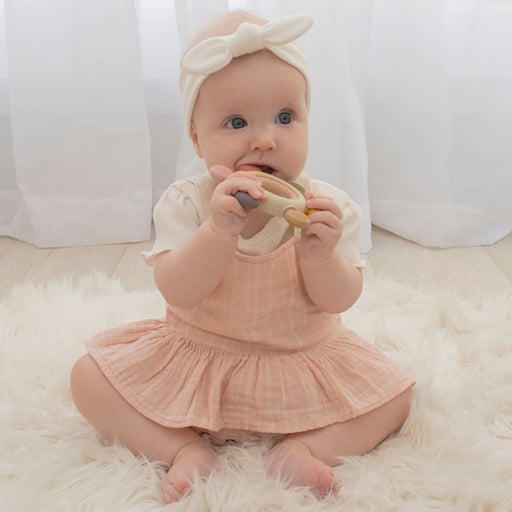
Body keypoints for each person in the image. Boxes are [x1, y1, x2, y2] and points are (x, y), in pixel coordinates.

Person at [70, 10, 414, 504]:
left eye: (285, 117)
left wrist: (320, 257)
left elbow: (341, 300)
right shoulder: (187, 203)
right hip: (200, 355)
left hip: (297, 359)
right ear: (196, 138)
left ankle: (304, 449)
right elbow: (178, 290)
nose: (265, 138)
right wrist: (218, 230)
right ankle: (184, 447)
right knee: (88, 378)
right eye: (236, 122)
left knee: (397, 395)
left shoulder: (326, 207)